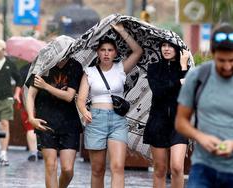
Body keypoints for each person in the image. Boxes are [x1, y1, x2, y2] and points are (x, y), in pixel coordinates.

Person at [176, 23, 233, 188]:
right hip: (203, 168)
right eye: (221, 60)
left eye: (232, 60)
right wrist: (201, 137)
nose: (227, 66)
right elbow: (181, 122)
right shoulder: (198, 77)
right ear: (213, 53)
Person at [77, 23, 143, 188]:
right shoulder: (89, 72)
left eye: (110, 50)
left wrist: (122, 31)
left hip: (117, 121)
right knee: (97, 169)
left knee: (118, 167)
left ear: (115, 53)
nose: (106, 53)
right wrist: (84, 110)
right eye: (103, 50)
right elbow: (81, 99)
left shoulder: (121, 68)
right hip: (96, 119)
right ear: (98, 52)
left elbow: (138, 52)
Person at [26, 56, 83, 188]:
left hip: (69, 123)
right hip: (45, 121)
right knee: (51, 165)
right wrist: (31, 117)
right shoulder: (42, 65)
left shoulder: (75, 66)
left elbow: (69, 96)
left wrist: (45, 86)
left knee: (67, 169)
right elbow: (31, 95)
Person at [143, 40, 190, 188]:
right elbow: (159, 91)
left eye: (170, 46)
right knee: (160, 169)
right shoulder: (154, 68)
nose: (166, 49)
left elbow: (188, 93)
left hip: (179, 123)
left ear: (177, 49)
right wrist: (179, 82)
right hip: (158, 123)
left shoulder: (187, 69)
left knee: (177, 167)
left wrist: (183, 68)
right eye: (163, 45)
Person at [0, 39, 22, 166]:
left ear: (4, 51)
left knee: (4, 124)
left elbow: (19, 80)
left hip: (6, 99)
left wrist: (16, 94)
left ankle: (3, 153)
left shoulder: (10, 64)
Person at [19, 63, 42, 161]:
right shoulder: (44, 67)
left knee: (30, 128)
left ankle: (33, 151)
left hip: (25, 96)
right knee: (40, 125)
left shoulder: (24, 68)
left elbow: (20, 85)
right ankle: (39, 150)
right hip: (40, 99)